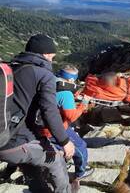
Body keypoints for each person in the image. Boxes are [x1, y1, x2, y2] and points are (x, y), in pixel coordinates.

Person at [0, 34, 75, 193]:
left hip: (6, 136)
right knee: (56, 160)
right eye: (52, 57)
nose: (52, 61)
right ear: (46, 54)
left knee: (30, 165)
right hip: (15, 141)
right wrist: (65, 141)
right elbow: (50, 111)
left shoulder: (11, 68)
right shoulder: (44, 75)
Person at [40, 65, 94, 191]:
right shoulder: (65, 93)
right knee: (81, 147)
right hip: (55, 129)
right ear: (70, 80)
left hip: (40, 126)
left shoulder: (47, 83)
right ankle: (80, 174)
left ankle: (61, 158)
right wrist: (84, 104)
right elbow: (71, 117)